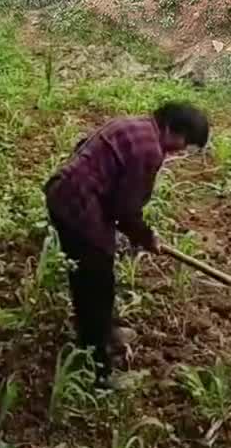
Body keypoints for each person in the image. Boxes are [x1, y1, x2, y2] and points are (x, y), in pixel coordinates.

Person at [44, 101, 209, 382]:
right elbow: (125, 209)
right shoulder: (150, 150)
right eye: (185, 142)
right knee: (95, 284)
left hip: (62, 194)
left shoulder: (133, 124)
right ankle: (96, 369)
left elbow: (84, 147)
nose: (182, 149)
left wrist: (136, 232)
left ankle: (103, 330)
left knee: (92, 274)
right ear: (172, 129)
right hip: (79, 208)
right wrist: (146, 237)